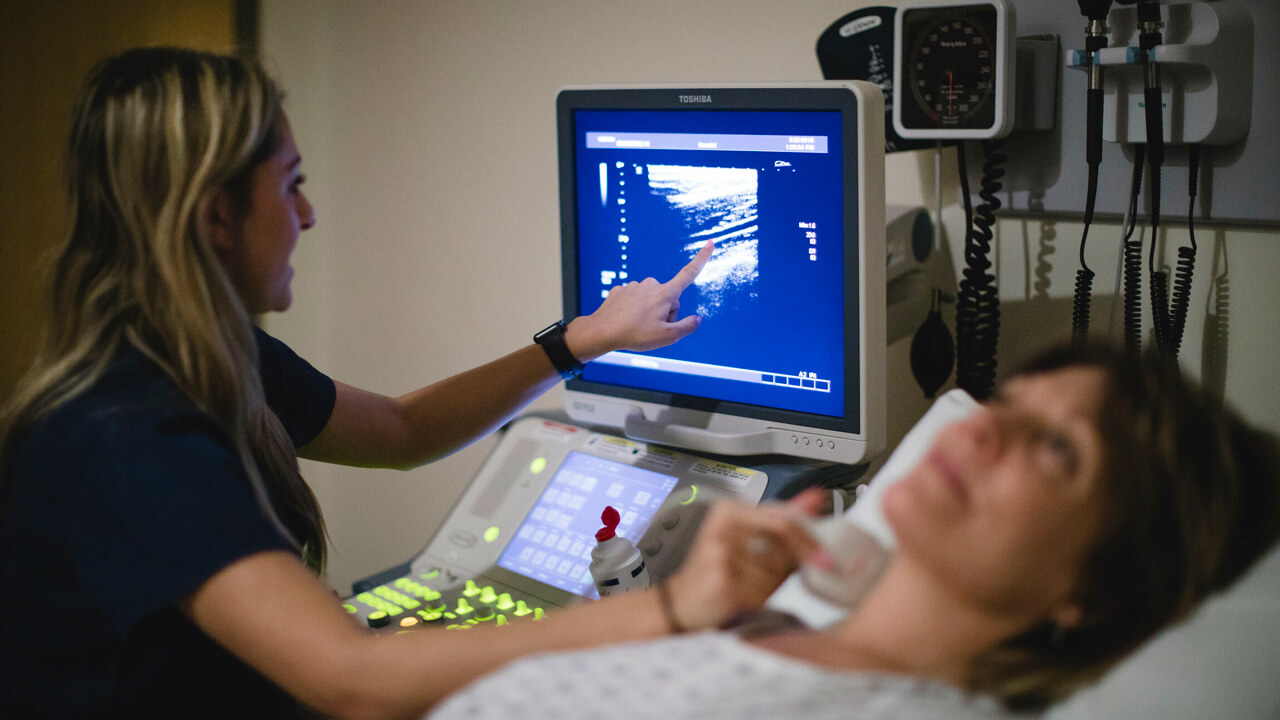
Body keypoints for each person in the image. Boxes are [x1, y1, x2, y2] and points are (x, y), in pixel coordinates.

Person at [0, 47, 827, 719]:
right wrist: (674, 611)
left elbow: (400, 431)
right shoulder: (125, 432)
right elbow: (348, 681)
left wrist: (577, 341)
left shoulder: (209, 356)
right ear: (216, 216)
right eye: (291, 185)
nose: (310, 215)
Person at [426, 343, 1280, 720]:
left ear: (1094, 590)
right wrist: (678, 608)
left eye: (1058, 449)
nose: (981, 427)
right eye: (1012, 406)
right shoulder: (753, 627)